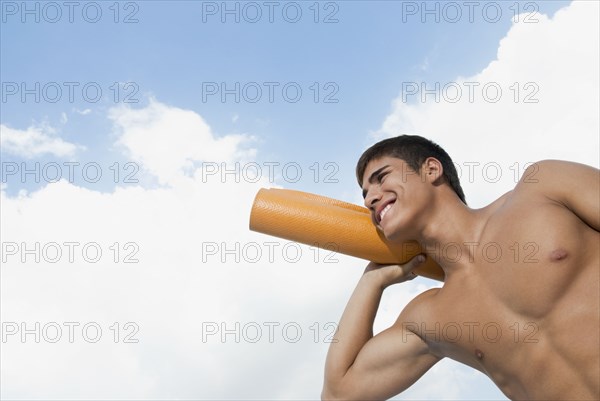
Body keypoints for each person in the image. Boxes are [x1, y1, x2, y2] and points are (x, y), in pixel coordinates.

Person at [321, 135, 599, 401]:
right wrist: (371, 282)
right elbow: (339, 394)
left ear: (431, 169)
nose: (370, 199)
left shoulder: (543, 189)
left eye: (381, 178)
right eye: (366, 195)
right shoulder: (431, 317)